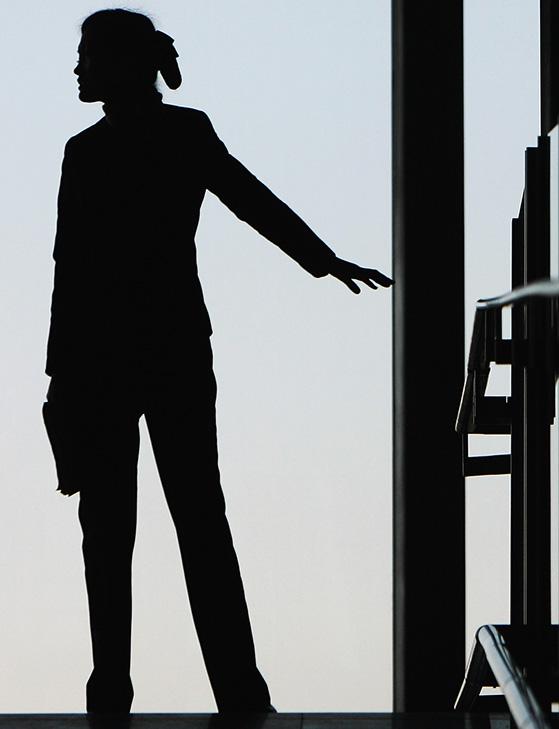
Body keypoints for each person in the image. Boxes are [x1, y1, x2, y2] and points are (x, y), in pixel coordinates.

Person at [42, 9, 391, 714]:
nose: (77, 68)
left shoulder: (89, 151)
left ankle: (111, 688)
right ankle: (237, 688)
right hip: (172, 350)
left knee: (110, 535)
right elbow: (251, 199)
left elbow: (69, 272)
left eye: (87, 55)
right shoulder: (181, 133)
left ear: (120, 63)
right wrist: (321, 259)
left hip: (103, 363)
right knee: (199, 522)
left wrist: (59, 380)